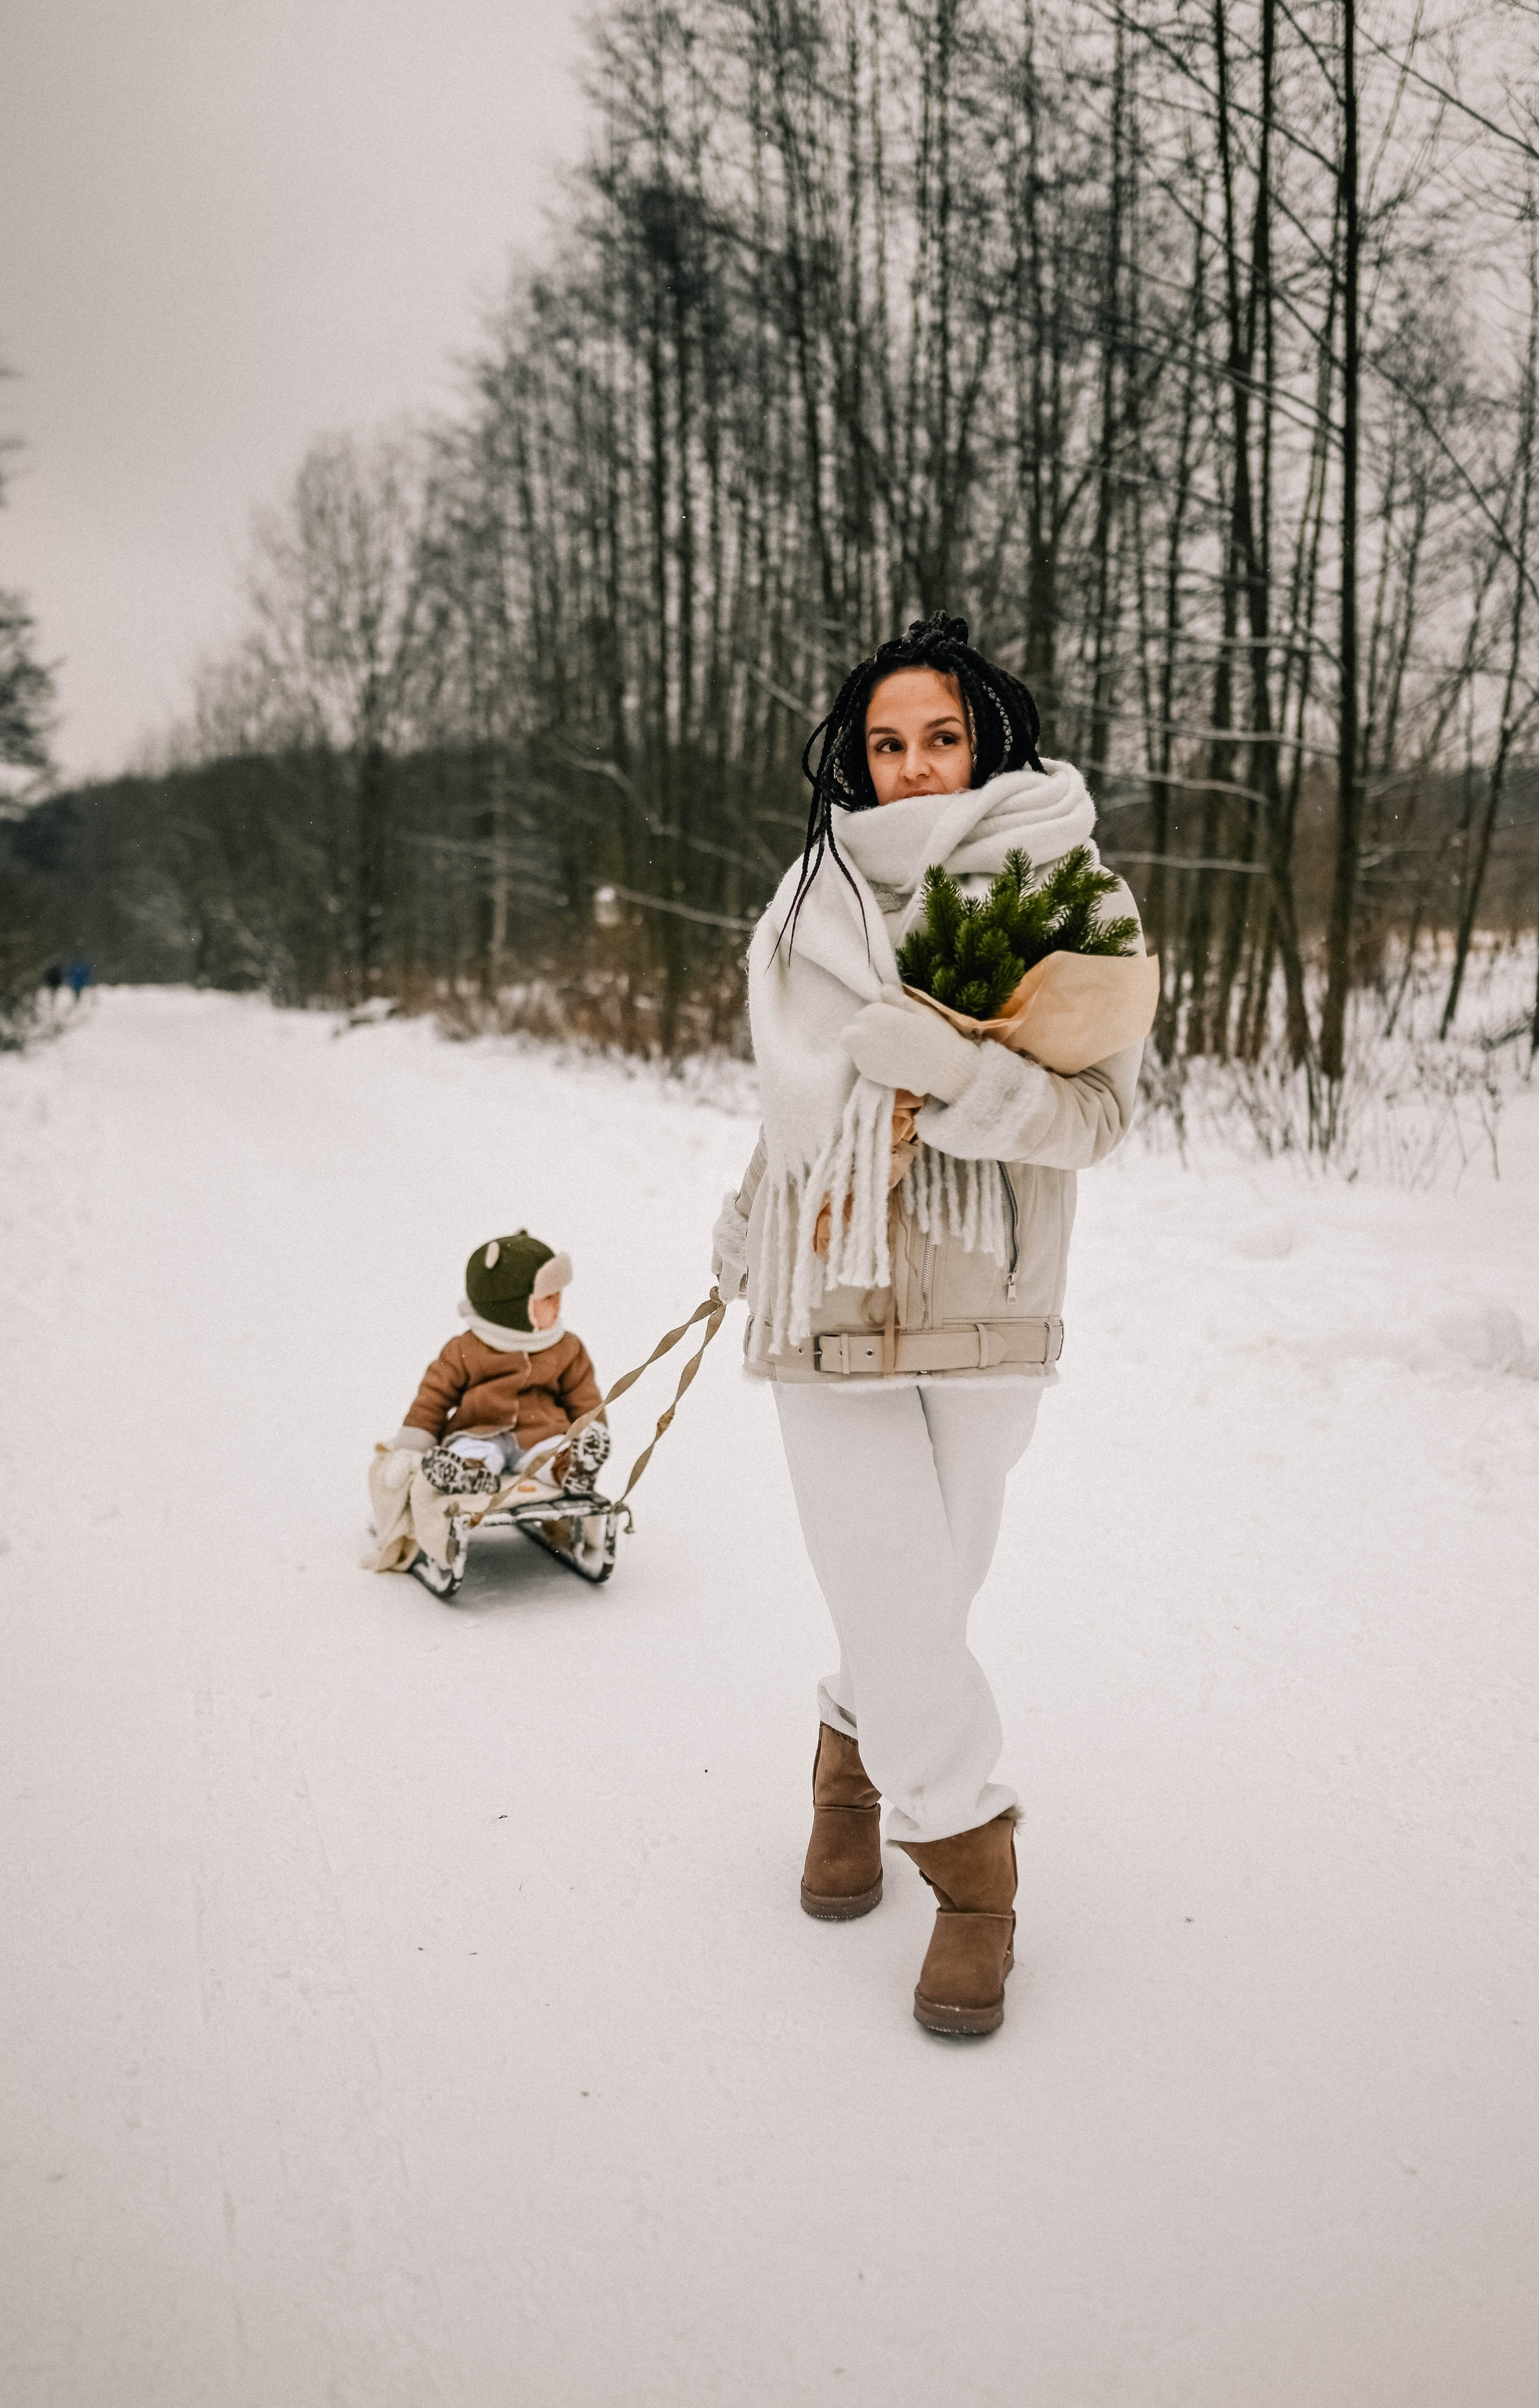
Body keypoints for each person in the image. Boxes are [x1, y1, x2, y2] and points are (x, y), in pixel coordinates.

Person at [712, 611, 1145, 2038]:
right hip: (820, 1287)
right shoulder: (808, 901)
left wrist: (958, 1080)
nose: (910, 764)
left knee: (926, 1588)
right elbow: (795, 1106)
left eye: (939, 736)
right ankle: (972, 1869)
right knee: (891, 1576)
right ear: (856, 753)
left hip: (985, 1298)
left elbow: (1096, 1116)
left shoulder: (1063, 887)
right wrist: (746, 1216)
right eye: (886, 741)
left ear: (984, 740)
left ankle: (847, 1759)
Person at [384, 1229, 609, 1512]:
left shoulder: (567, 1347)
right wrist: (413, 1445)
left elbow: (584, 1395)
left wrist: (592, 1431)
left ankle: (569, 1469)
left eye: (559, 1295)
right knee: (472, 1450)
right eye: (548, 1297)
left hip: (541, 1432)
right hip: (479, 1431)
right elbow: (433, 1398)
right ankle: (470, 1472)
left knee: (552, 1452)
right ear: (513, 1307)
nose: (558, 1304)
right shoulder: (465, 1348)